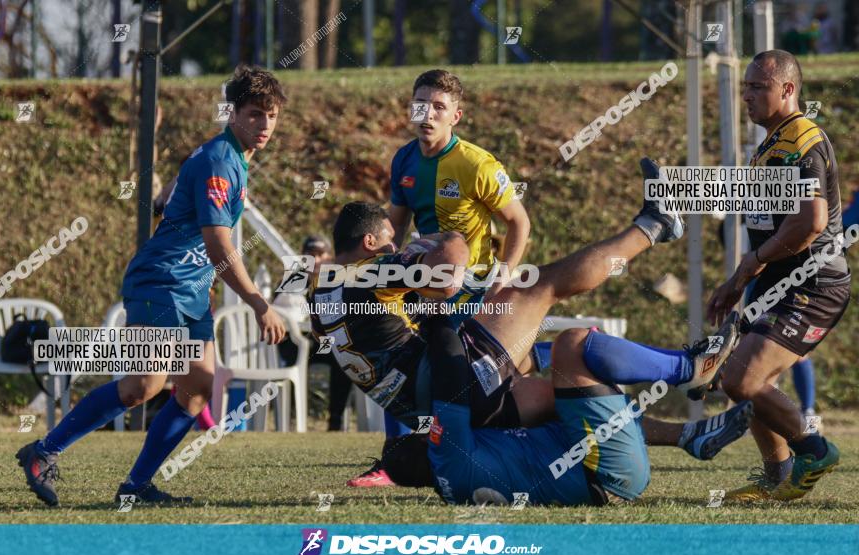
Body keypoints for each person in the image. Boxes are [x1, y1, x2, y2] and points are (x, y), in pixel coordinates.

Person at [308, 159, 750, 486]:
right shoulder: (369, 273)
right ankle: (655, 227)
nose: (397, 250)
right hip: (451, 384)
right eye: (390, 244)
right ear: (369, 243)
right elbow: (445, 279)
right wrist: (448, 238)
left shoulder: (319, 290)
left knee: (573, 402)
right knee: (542, 288)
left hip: (435, 405)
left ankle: (688, 435)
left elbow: (381, 327)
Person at [17, 66, 289, 507]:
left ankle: (136, 486)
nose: (264, 125)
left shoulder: (236, 160)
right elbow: (219, 244)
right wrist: (260, 303)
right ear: (233, 113)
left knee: (198, 387)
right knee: (143, 385)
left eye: (271, 116)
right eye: (255, 114)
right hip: (159, 283)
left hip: (189, 290)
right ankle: (42, 452)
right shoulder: (220, 160)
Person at [350, 69, 532, 485]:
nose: (427, 113)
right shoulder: (404, 160)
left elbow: (519, 223)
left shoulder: (476, 164)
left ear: (457, 116)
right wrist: (378, 266)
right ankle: (392, 463)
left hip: (471, 288)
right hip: (423, 280)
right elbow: (393, 226)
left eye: (439, 106)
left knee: (461, 374)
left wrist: (503, 278)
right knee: (395, 362)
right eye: (421, 104)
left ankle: (467, 457)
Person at [382, 315, 752, 506]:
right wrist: (437, 316)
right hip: (604, 468)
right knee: (572, 345)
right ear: (423, 447)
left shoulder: (450, 484)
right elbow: (450, 369)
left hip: (601, 476)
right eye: (412, 437)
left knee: (557, 401)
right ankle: (689, 369)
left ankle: (692, 436)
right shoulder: (445, 451)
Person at [707, 50, 848, 502]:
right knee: (737, 377)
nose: (746, 96)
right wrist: (736, 283)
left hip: (813, 284)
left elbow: (809, 224)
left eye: (757, 87)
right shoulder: (771, 145)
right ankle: (779, 473)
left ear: (787, 90)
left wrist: (748, 267)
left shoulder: (802, 141)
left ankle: (815, 449)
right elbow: (772, 229)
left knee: (742, 380)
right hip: (780, 283)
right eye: (745, 86)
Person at [275, 235, 353, 431]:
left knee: (345, 358)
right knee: (292, 359)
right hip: (298, 341)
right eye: (311, 255)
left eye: (321, 254)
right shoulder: (293, 279)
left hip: (329, 342)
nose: (316, 260)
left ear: (330, 257)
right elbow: (278, 312)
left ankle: (335, 420)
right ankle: (291, 419)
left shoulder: (339, 279)